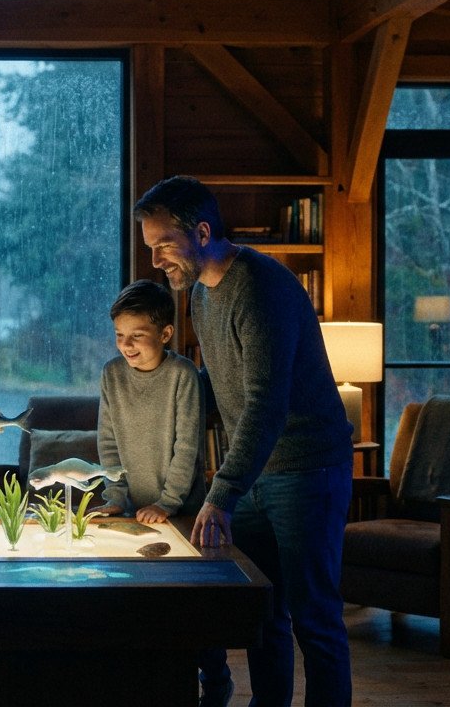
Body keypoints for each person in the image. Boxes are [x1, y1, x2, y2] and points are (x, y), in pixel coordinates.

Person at [135, 175, 354, 707]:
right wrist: (160, 393)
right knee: (264, 613)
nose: (156, 261)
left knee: (315, 620)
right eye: (151, 248)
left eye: (164, 244)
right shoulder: (201, 295)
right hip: (256, 476)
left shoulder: (259, 287)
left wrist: (221, 493)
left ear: (202, 232)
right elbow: (220, 383)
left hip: (307, 471)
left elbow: (264, 404)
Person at [93, 279, 205, 523]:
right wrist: (115, 498)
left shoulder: (183, 374)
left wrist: (167, 503)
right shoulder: (111, 374)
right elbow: (108, 443)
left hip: (182, 512)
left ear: (165, 334)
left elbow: (187, 448)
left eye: (137, 335)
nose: (126, 344)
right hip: (132, 510)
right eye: (119, 334)